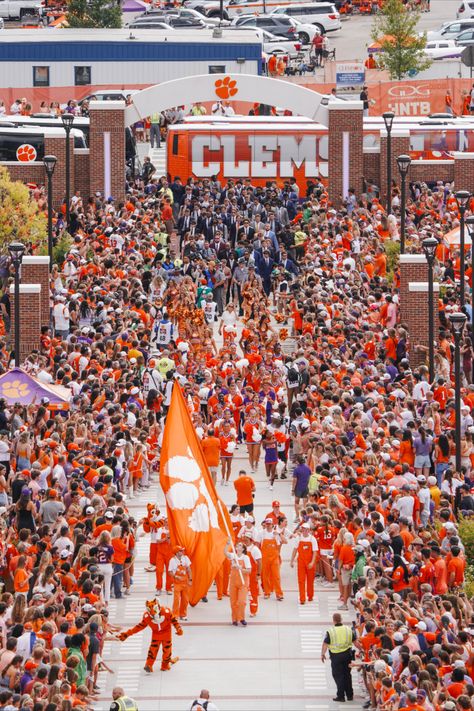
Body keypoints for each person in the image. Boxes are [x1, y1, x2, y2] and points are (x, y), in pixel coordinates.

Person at [321, 612, 356, 703]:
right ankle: (350, 695)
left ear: (333, 621)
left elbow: (325, 643)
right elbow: (355, 642)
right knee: (347, 675)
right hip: (348, 655)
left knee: (338, 676)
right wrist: (362, 649)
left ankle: (340, 696)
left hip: (336, 656)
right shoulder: (348, 629)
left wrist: (322, 654)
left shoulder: (331, 631)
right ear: (341, 620)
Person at [224, 540, 251, 626]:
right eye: (237, 545)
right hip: (233, 581)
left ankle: (241, 618)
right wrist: (227, 545)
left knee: (241, 601)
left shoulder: (245, 558)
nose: (238, 546)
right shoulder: (233, 556)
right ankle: (234, 619)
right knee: (233, 602)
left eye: (240, 545)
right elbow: (225, 553)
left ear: (243, 549)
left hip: (243, 582)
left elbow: (249, 571)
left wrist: (240, 568)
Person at [290, 522, 318, 605]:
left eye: (306, 529)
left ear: (309, 530)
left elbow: (315, 552)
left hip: (309, 562)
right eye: (303, 529)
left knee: (310, 580)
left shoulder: (312, 539)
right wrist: (292, 561)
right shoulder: (298, 538)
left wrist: (312, 562)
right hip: (301, 562)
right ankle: (302, 598)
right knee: (301, 580)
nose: (304, 531)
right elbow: (295, 550)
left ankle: (310, 596)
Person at [168, 545, 192, 621]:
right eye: (180, 551)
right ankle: (175, 615)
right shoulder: (172, 560)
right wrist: (175, 577)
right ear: (176, 552)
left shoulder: (186, 558)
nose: (182, 552)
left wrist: (190, 579)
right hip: (177, 583)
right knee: (176, 600)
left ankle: (183, 614)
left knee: (185, 600)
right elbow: (170, 571)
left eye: (182, 550)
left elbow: (188, 569)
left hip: (185, 582)